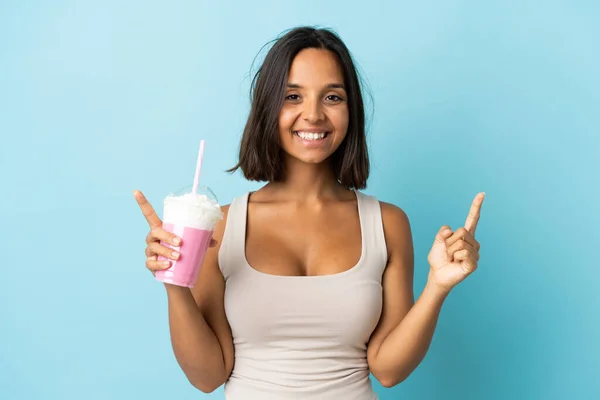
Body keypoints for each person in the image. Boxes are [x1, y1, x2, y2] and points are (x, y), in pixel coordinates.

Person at [133, 26, 484, 400]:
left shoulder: (387, 224)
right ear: (268, 107)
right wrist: (175, 281)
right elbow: (207, 376)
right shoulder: (219, 225)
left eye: (332, 97)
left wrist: (437, 288)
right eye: (292, 96)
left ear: (352, 111)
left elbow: (388, 370)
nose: (313, 114)